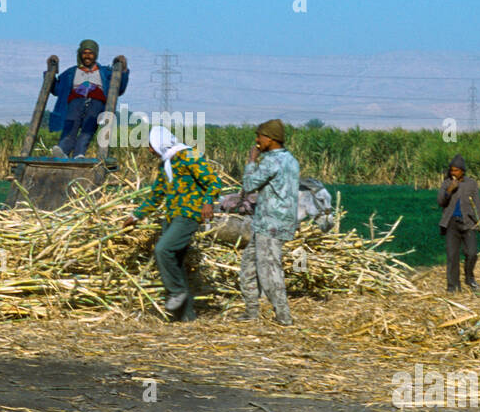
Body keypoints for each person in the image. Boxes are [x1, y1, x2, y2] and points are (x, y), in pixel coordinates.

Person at [121, 125, 221, 321]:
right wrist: (135, 216)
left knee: (162, 250)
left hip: (188, 215)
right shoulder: (165, 163)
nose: (150, 150)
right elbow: (156, 196)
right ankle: (186, 317)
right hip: (172, 217)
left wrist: (208, 202)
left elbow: (213, 181)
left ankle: (176, 292)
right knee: (176, 262)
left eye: (151, 146)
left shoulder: (189, 155)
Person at [239, 119, 299, 325]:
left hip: (270, 224)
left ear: (271, 139)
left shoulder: (270, 161)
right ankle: (251, 312)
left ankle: (283, 317)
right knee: (248, 265)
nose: (257, 140)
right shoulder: (291, 159)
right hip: (275, 222)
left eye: (259, 136)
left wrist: (251, 161)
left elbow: (249, 185)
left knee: (268, 271)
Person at [47, 40, 129, 158]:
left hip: (96, 103)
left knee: (87, 130)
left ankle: (79, 154)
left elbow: (118, 89)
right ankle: (63, 151)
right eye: (84, 53)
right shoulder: (71, 73)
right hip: (76, 101)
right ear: (80, 54)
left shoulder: (105, 73)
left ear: (95, 55)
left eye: (90, 53)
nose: (87, 56)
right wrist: (51, 70)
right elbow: (56, 89)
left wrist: (124, 70)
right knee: (70, 127)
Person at [437, 154, 480, 294]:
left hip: (468, 223)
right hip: (451, 224)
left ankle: (469, 277)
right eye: (451, 170)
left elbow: (477, 204)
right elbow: (440, 202)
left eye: (456, 170)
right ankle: (453, 286)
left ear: (462, 171)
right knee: (452, 256)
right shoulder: (446, 184)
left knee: (472, 253)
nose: (453, 173)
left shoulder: (471, 184)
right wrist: (449, 190)